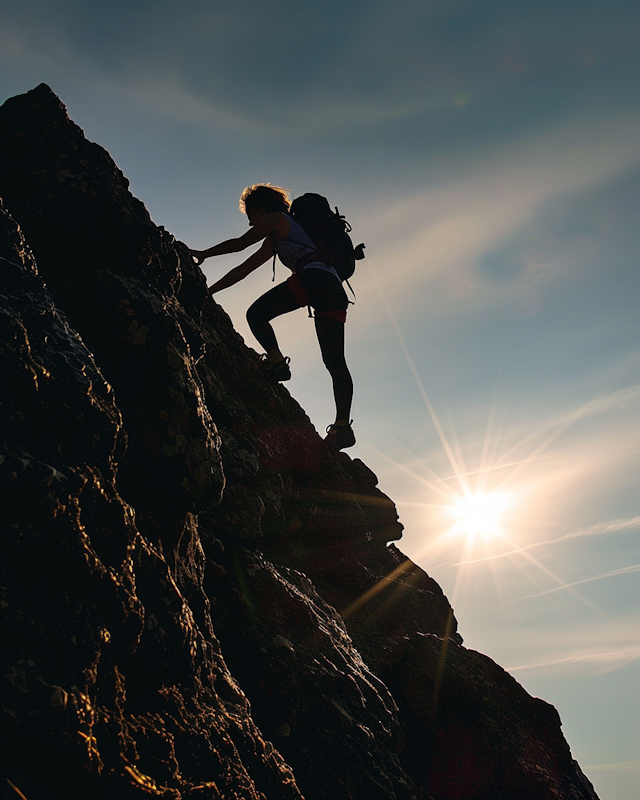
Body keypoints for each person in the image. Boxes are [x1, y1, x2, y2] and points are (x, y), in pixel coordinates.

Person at [190, 184, 355, 451]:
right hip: (333, 288)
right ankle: (342, 427)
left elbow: (240, 245)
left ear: (260, 208)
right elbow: (243, 270)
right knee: (335, 361)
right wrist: (210, 291)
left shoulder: (276, 220)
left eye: (250, 216)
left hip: (312, 280)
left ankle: (277, 363)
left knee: (256, 314)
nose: (251, 222)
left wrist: (203, 254)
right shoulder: (281, 234)